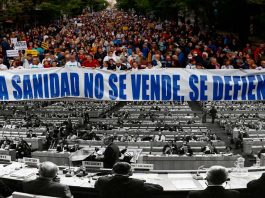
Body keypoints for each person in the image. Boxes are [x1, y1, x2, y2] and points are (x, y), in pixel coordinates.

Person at [95, 162, 163, 198]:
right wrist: (143, 182)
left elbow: (96, 186)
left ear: (112, 171)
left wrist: (108, 176)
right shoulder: (137, 183)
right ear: (130, 172)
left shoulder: (102, 180)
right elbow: (159, 188)